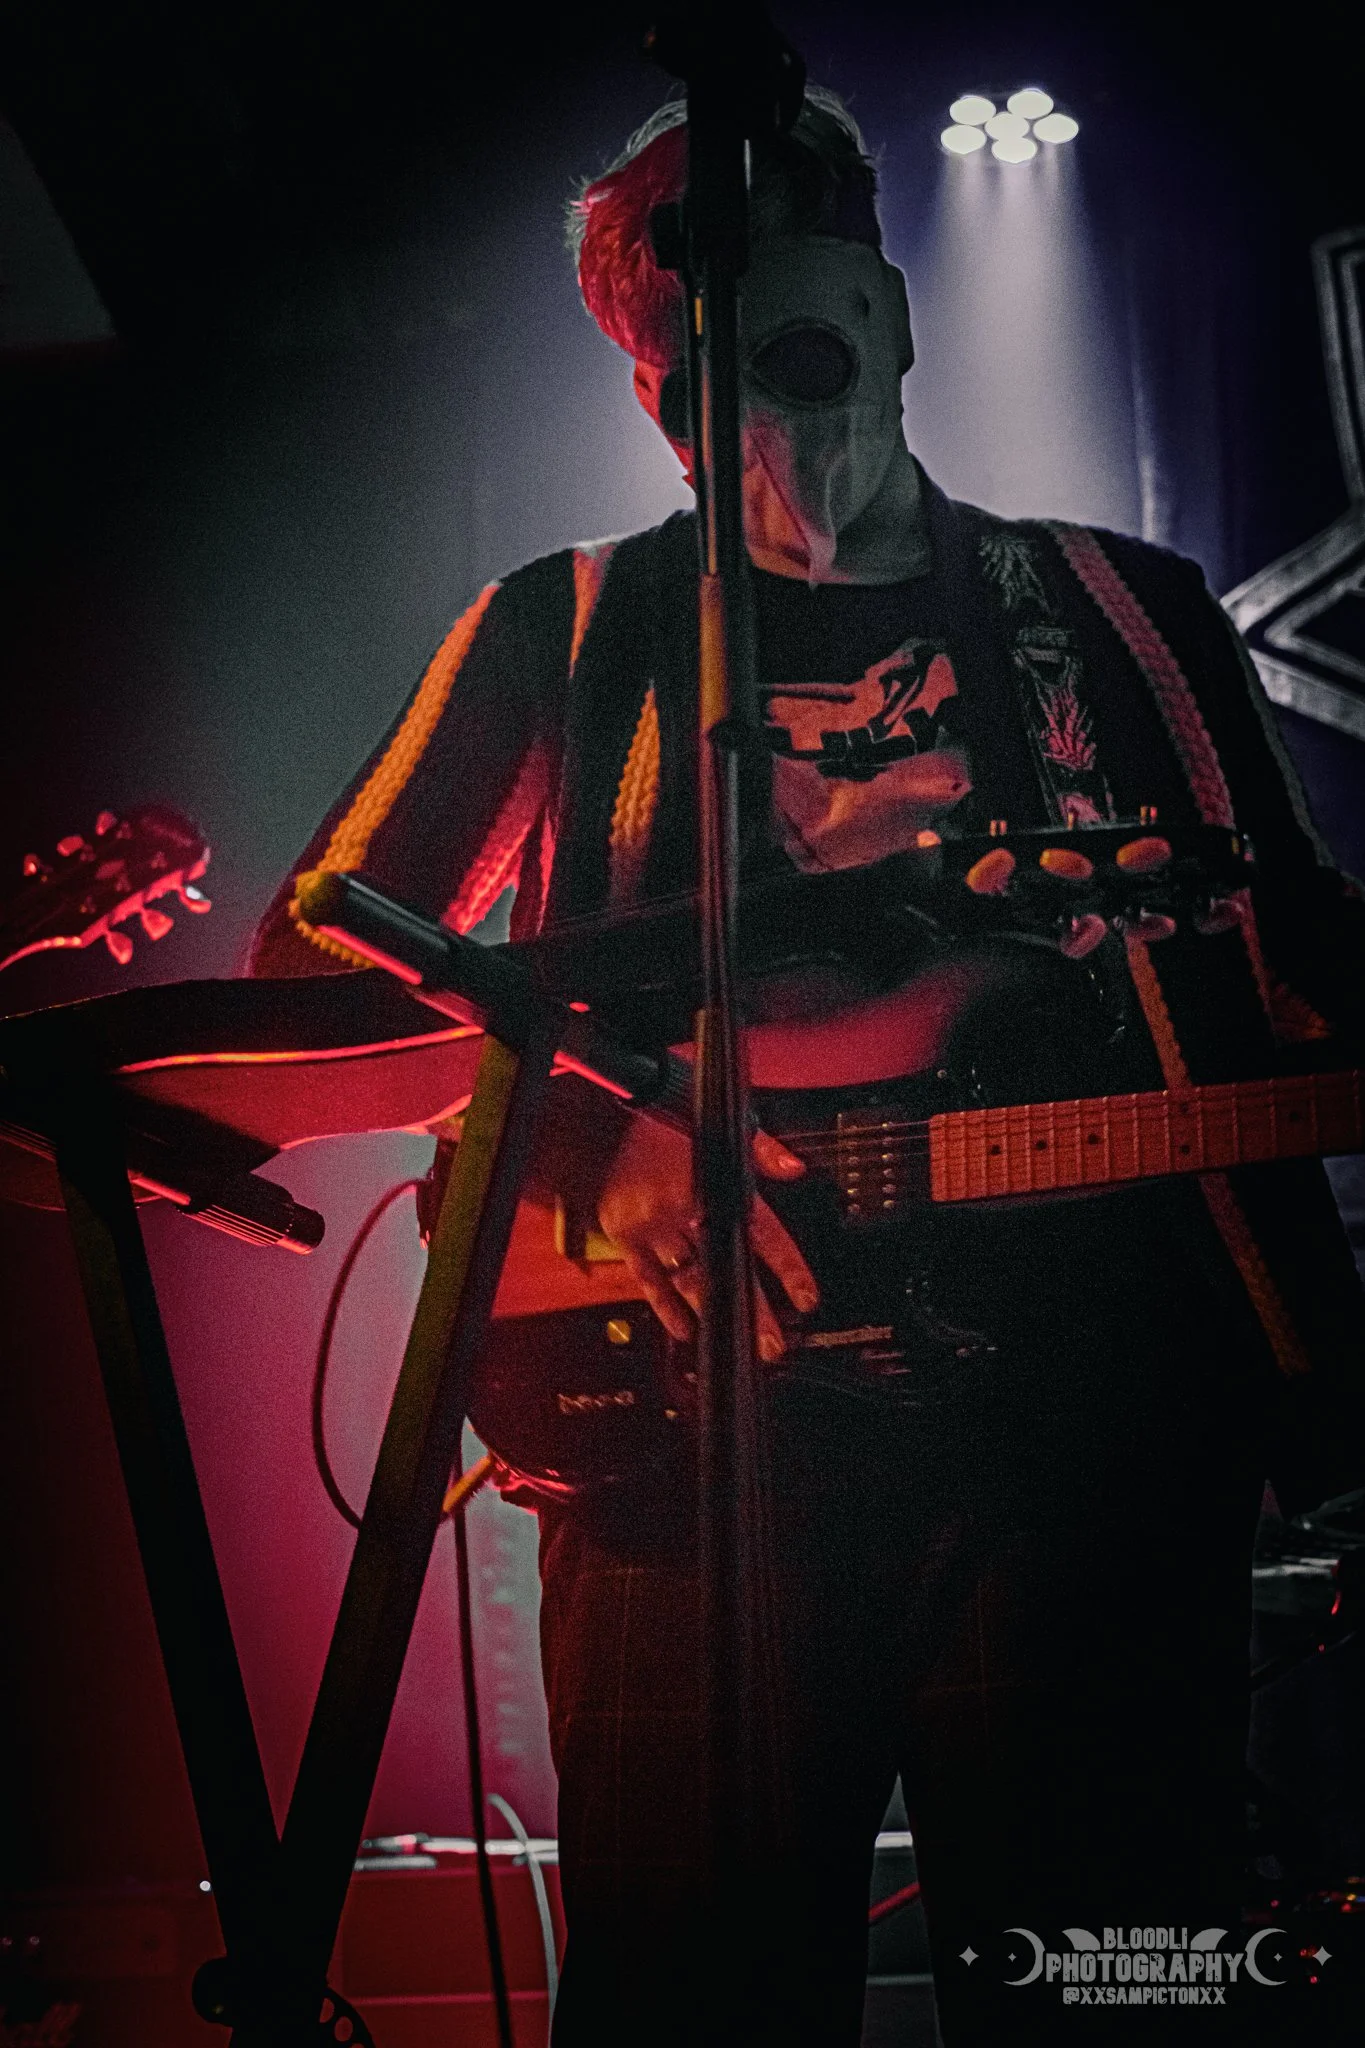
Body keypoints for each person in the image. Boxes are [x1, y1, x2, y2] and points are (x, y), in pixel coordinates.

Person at [252, 91, 1365, 2045]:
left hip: (1088, 1459)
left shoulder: (1111, 614)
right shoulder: (566, 630)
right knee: (695, 2005)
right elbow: (326, 953)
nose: (769, 243)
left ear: (893, 288)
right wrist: (609, 1150)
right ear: (643, 349)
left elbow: (1292, 972)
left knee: (1122, 1985)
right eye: (709, 230)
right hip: (693, 1481)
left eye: (809, 201)